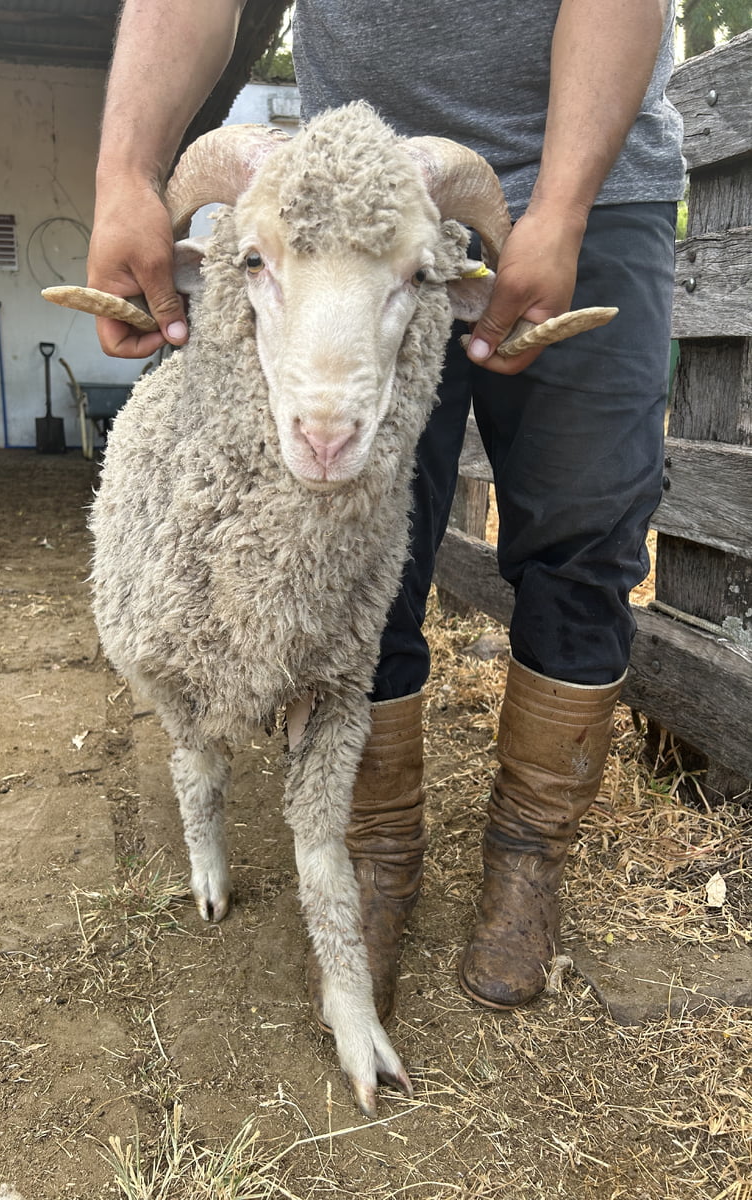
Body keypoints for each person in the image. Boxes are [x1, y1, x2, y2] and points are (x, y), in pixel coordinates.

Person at [87, 1, 685, 1016]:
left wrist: (562, 206)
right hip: (340, 214)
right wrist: (125, 176)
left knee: (590, 526)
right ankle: (377, 848)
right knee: (352, 552)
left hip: (590, 183)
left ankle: (528, 857)